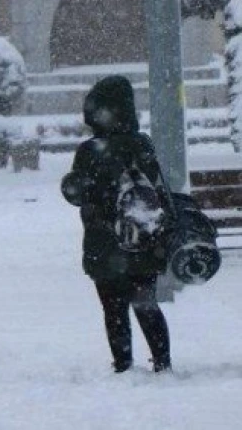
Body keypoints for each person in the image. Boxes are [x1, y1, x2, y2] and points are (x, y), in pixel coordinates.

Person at [60, 75, 174, 374]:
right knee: (146, 304)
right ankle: (162, 362)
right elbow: (159, 189)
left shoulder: (90, 150)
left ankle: (123, 363)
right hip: (145, 238)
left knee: (113, 307)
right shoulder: (142, 144)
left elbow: (78, 194)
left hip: (104, 240)